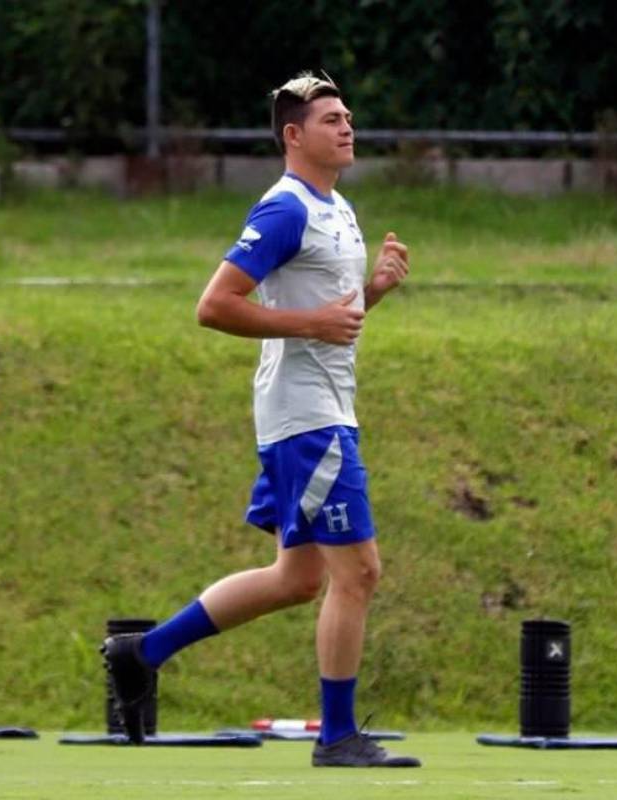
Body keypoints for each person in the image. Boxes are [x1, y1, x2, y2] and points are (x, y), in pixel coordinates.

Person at [102, 72, 419, 768]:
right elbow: (213, 305)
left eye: (349, 116)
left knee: (298, 579)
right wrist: (314, 320)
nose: (347, 127)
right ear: (293, 136)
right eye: (331, 118)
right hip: (307, 422)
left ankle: (141, 652)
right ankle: (337, 738)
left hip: (325, 412)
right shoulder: (284, 211)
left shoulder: (338, 207)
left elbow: (331, 323)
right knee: (358, 573)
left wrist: (373, 293)